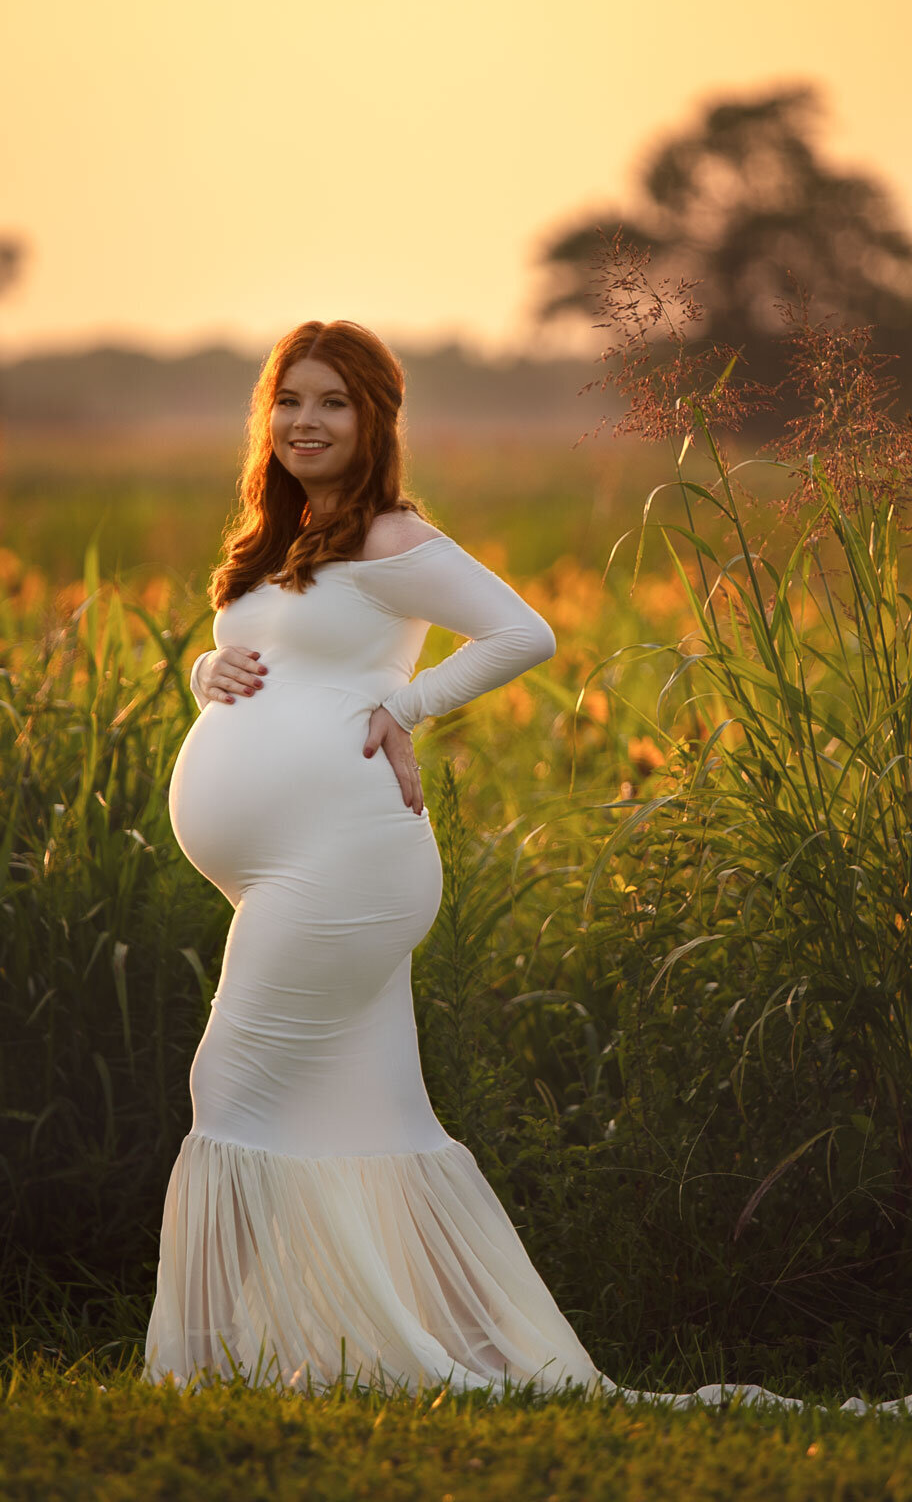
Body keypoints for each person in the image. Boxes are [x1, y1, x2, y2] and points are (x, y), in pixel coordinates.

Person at [141, 319, 910, 1415]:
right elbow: (267, 657)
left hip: (344, 865)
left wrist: (406, 704)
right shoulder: (281, 535)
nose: (306, 421)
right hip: (286, 868)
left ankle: (211, 1366)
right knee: (370, 1118)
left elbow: (522, 633)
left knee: (228, 1085)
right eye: (290, 400)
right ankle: (353, 1349)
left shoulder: (394, 537)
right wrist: (208, 665)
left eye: (333, 403)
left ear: (374, 422)